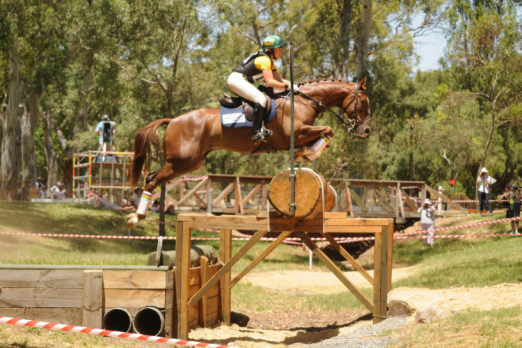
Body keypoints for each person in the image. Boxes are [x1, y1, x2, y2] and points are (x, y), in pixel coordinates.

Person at [228, 35, 296, 144]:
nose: (281, 51)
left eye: (281, 48)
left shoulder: (269, 62)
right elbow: (270, 82)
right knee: (261, 99)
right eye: (279, 48)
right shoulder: (265, 60)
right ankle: (257, 132)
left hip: (239, 80)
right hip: (236, 80)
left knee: (260, 98)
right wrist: (287, 86)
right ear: (270, 50)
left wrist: (293, 84)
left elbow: (280, 80)